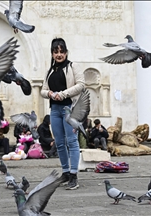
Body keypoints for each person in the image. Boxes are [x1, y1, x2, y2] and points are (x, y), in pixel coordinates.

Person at [40, 37, 85, 190]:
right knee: (59, 143)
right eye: (55, 52)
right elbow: (42, 90)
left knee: (72, 141)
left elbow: (81, 84)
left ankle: (74, 175)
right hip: (55, 110)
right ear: (52, 53)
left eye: (62, 51)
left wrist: (64, 94)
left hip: (69, 109)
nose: (59, 55)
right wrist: (51, 94)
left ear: (66, 52)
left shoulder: (72, 67)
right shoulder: (50, 71)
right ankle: (65, 172)